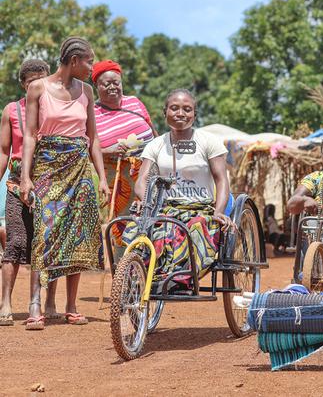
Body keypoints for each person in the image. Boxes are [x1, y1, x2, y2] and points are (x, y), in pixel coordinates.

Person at [19, 37, 111, 329]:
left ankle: (71, 306)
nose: (91, 67)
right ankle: (35, 303)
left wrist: (102, 179)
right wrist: (26, 177)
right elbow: (31, 135)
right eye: (88, 61)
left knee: (79, 234)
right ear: (74, 60)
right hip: (48, 165)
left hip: (79, 167)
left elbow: (93, 139)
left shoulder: (86, 91)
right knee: (44, 234)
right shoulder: (38, 88)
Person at [124, 89, 234, 291]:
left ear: (195, 114)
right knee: (142, 227)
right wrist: (144, 201)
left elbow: (221, 180)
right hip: (165, 207)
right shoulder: (156, 145)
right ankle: (136, 275)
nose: (180, 113)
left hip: (200, 209)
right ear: (165, 112)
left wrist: (218, 211)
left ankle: (180, 278)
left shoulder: (209, 142)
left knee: (195, 227)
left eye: (187, 109)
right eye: (174, 108)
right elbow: (142, 180)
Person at [0, 59, 60, 326]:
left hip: (51, 185)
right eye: (31, 81)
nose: (37, 85)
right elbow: (4, 151)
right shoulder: (12, 111)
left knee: (49, 245)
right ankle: (6, 304)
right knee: (15, 242)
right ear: (23, 84)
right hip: (16, 186)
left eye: (41, 79)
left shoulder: (58, 108)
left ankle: (48, 303)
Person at [92, 59, 157, 222]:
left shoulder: (134, 102)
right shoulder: (91, 113)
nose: (112, 87)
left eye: (116, 82)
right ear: (96, 87)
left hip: (148, 172)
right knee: (123, 225)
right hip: (117, 179)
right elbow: (86, 150)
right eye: (106, 84)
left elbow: (154, 132)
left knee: (153, 219)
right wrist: (109, 151)